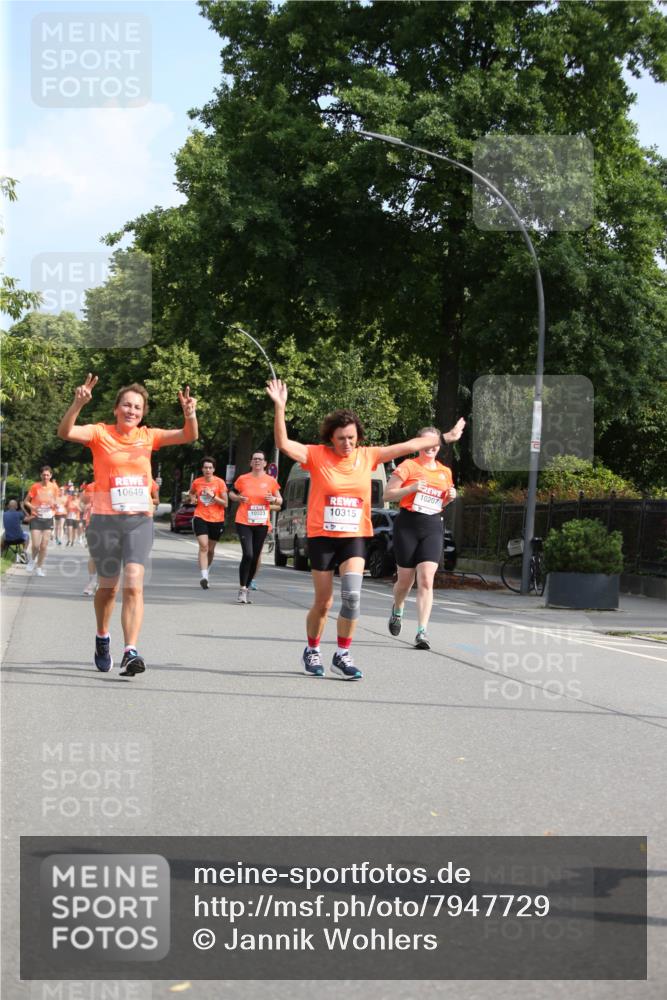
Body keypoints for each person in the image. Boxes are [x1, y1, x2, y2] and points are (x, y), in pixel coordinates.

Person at [266, 378, 465, 679]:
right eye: (341, 438)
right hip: (322, 535)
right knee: (324, 602)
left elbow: (412, 444)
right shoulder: (317, 455)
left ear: (358, 437)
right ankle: (312, 649)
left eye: (351, 438)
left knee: (352, 597)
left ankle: (342, 654)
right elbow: (283, 444)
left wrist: (445, 438)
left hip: (354, 536)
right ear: (330, 438)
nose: (347, 444)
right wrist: (280, 408)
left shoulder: (368, 455)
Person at [57, 374, 198, 676]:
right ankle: (102, 636)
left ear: (142, 413)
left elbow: (188, 436)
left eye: (137, 407)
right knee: (109, 589)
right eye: (126, 405)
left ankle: (130, 650)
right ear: (116, 409)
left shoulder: (149, 436)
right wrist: (77, 403)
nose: (131, 411)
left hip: (138, 522)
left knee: (134, 584)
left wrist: (190, 414)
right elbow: (65, 431)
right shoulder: (99, 433)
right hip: (105, 522)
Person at [384, 428, 458, 650]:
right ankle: (397, 608)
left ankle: (422, 631)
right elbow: (387, 495)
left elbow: (440, 503)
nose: (431, 447)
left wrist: (450, 498)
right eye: (426, 443)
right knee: (405, 581)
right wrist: (412, 488)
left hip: (432, 525)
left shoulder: (445, 472)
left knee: (426, 579)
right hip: (408, 525)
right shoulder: (408, 466)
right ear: (418, 444)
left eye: (435, 444)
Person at [229, 452, 282, 603]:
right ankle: (242, 589)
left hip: (261, 523)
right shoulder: (243, 479)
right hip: (244, 521)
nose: (257, 461)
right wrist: (238, 498)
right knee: (248, 554)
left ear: (265, 463)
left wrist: (273, 499)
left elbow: (280, 500)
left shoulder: (270, 481)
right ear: (251, 462)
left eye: (260, 459)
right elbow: (231, 493)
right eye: (254, 459)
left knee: (255, 557)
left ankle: (246, 586)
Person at [188, 457, 228, 589]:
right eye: (205, 467)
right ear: (202, 469)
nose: (208, 470)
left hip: (217, 519)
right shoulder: (197, 482)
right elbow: (191, 493)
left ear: (214, 469)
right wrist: (193, 499)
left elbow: (225, 503)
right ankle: (204, 577)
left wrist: (213, 496)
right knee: (203, 546)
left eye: (210, 468)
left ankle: (207, 571)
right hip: (200, 517)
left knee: (210, 550)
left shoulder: (220, 483)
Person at [22, 465, 59, 575]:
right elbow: (26, 502)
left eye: (48, 475)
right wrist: (34, 508)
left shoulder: (54, 487)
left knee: (44, 546)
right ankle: (32, 561)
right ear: (40, 475)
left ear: (51, 476)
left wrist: (55, 505)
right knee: (35, 545)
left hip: (48, 518)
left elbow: (56, 501)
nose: (45, 477)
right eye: (44, 475)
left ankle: (39, 567)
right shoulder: (35, 486)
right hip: (36, 518)